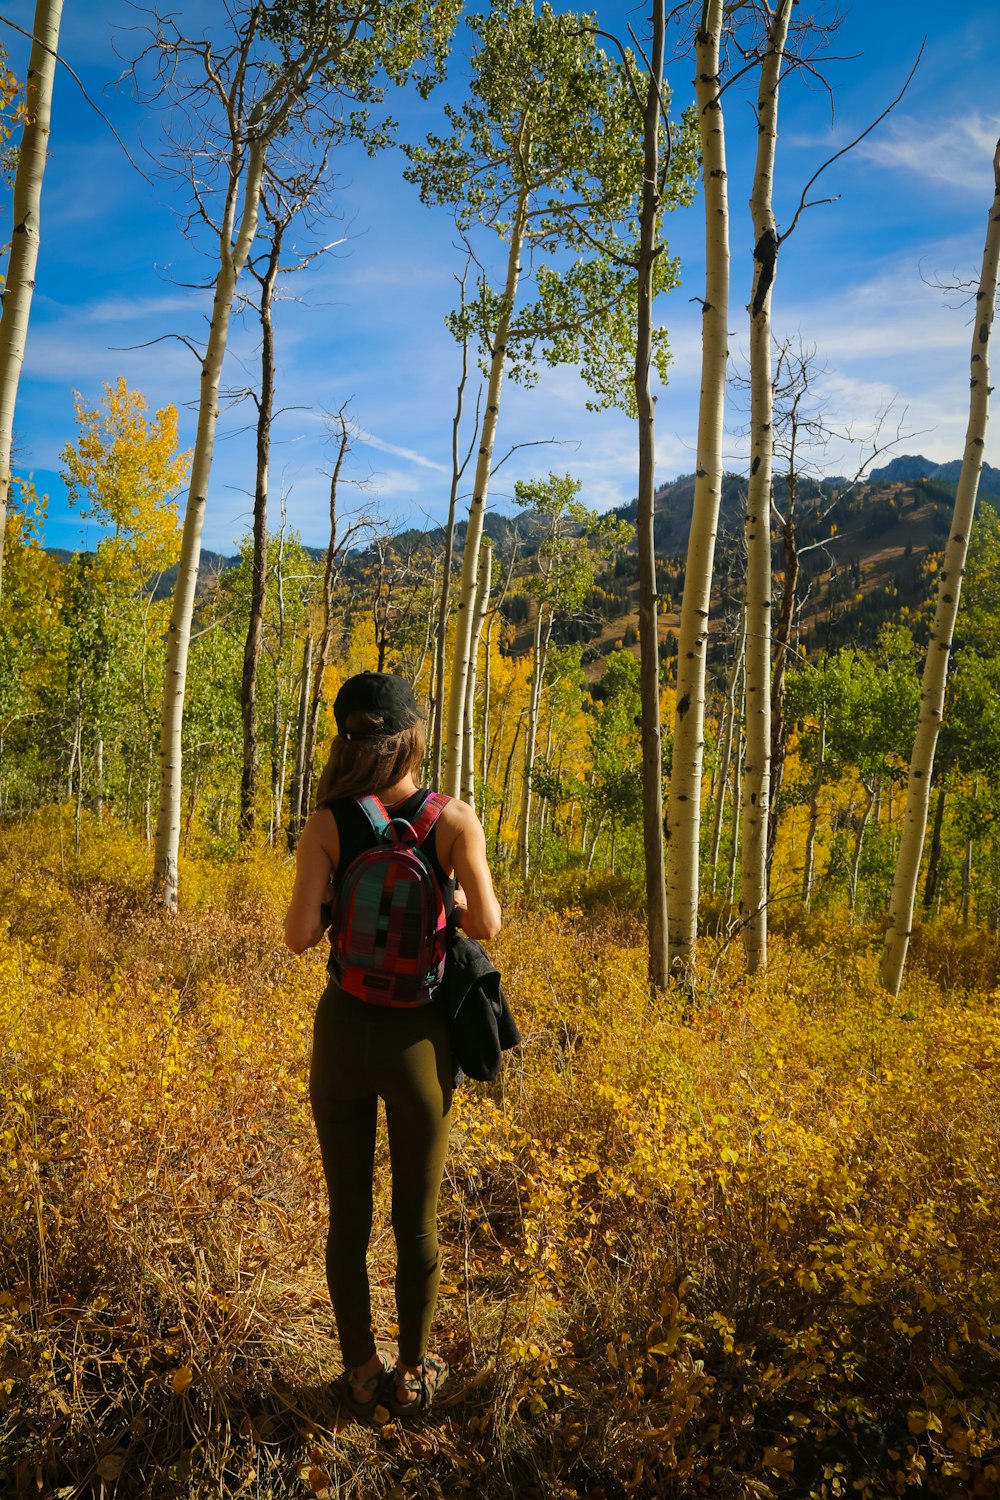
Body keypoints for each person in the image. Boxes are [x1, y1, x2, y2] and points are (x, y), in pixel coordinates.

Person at [284, 670, 502, 1421]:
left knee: (349, 1215)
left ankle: (361, 1371)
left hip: (343, 1034)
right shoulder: (453, 819)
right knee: (417, 1217)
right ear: (412, 734)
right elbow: (488, 927)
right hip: (421, 1041)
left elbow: (298, 937)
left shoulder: (328, 823)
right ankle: (413, 1372)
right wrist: (457, 900)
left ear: (349, 737)